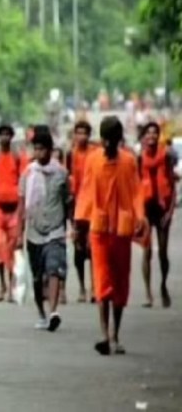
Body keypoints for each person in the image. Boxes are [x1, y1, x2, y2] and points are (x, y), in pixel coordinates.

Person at [75, 117, 145, 355]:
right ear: (102, 139)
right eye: (105, 140)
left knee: (120, 283)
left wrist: (140, 218)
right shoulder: (93, 161)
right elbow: (85, 191)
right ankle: (105, 334)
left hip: (122, 230)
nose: (107, 145)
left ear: (118, 140)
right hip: (99, 228)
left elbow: (136, 192)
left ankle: (116, 333)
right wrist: (79, 225)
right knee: (102, 281)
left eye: (112, 141)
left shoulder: (129, 161)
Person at [17, 126, 71, 331]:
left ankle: (54, 311)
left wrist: (71, 225)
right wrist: (18, 232)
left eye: (42, 149)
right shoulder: (28, 174)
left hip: (55, 230)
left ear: (50, 150)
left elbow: (67, 201)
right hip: (34, 232)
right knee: (38, 277)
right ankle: (41, 313)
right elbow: (22, 205)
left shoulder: (61, 173)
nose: (39, 153)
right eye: (36, 149)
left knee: (54, 269)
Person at [138, 122, 176, 308]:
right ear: (144, 137)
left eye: (154, 133)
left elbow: (172, 184)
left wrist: (170, 212)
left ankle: (163, 286)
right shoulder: (139, 158)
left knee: (162, 253)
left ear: (158, 136)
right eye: (148, 133)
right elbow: (136, 187)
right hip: (146, 209)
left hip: (162, 208)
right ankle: (147, 294)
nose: (151, 136)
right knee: (146, 253)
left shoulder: (166, 156)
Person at [0, 124, 22, 302]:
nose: (5, 138)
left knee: (11, 249)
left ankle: (11, 288)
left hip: (14, 209)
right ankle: (2, 286)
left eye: (8, 134)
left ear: (11, 137)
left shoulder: (17, 156)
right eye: (2, 134)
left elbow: (22, 181)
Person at [67, 121, 96, 303]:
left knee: (93, 248)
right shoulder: (71, 154)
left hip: (92, 206)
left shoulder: (94, 153)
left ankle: (94, 287)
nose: (82, 137)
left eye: (84, 133)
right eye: (78, 133)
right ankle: (82, 288)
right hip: (77, 206)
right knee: (78, 249)